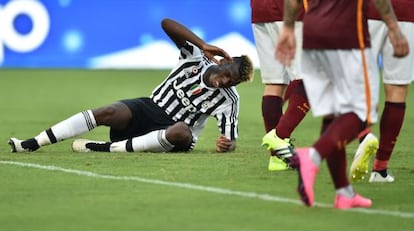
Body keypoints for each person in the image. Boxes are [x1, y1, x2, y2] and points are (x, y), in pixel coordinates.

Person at [8, 18, 254, 154]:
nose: (225, 81)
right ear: (223, 61)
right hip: (149, 108)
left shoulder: (229, 100)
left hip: (172, 134)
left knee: (181, 130)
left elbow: (229, 139)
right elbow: (166, 23)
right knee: (109, 111)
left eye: (232, 82)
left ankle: (106, 149)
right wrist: (203, 44)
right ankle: (33, 142)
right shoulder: (195, 58)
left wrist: (226, 145)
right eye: (227, 74)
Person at [276, 0, 409, 209]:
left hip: (312, 36)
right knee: (361, 115)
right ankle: (312, 156)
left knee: (333, 115)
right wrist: (394, 27)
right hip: (348, 39)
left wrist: (287, 27)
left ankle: (344, 192)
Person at [350, 0, 414, 183]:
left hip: (367, 10)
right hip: (405, 13)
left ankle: (364, 136)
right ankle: (380, 168)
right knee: (397, 88)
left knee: (354, 81)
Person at [250, 0, 310, 171]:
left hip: (260, 9)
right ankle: (279, 137)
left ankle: (277, 159)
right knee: (310, 80)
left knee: (275, 81)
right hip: (289, 8)